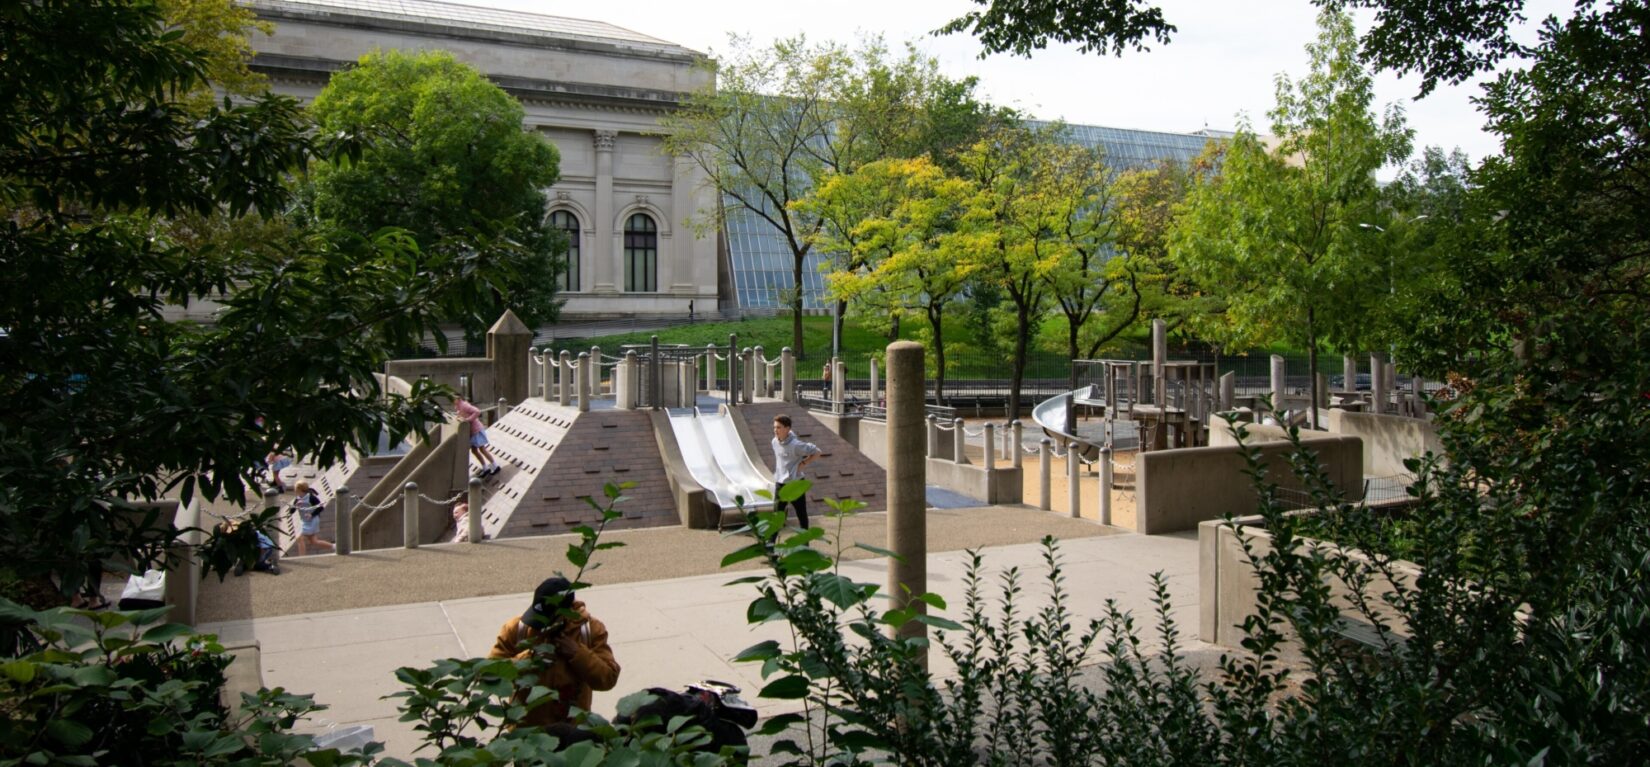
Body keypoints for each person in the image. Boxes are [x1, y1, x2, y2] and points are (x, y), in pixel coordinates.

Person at [488, 577, 620, 728]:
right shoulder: (517, 629)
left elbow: (608, 678)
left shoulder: (590, 630)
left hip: (572, 732)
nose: (540, 627)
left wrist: (578, 654)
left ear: (567, 612)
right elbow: (489, 672)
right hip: (525, 731)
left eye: (546, 621)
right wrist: (528, 658)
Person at [770, 415, 821, 529]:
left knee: (801, 515)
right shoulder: (774, 442)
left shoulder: (796, 445)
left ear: (787, 429)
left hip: (795, 484)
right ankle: (770, 545)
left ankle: (805, 544)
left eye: (778, 427)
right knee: (776, 516)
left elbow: (817, 452)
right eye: (774, 427)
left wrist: (803, 464)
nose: (775, 430)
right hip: (780, 484)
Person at [454, 396, 501, 476]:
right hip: (472, 432)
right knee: (474, 451)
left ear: (458, 398)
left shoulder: (464, 405)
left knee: (482, 449)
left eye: (453, 398)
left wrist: (468, 420)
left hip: (476, 430)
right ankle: (485, 468)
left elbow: (477, 411)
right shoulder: (458, 406)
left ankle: (495, 466)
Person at [291, 481, 333, 555]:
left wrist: (312, 514)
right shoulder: (298, 499)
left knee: (299, 538)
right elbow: (291, 511)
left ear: (300, 490)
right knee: (314, 541)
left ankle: (302, 559)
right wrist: (296, 505)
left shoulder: (311, 497)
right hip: (304, 521)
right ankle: (333, 546)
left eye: (296, 490)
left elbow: (320, 507)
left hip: (313, 521)